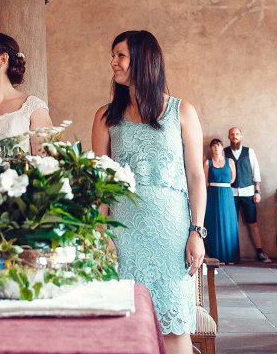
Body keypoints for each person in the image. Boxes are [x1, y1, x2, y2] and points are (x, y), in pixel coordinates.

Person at [92, 31, 206, 354]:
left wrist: (196, 232)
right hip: (123, 235)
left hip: (171, 236)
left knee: (175, 330)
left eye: (120, 55)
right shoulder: (105, 117)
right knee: (125, 327)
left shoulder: (183, 112)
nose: (113, 62)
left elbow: (197, 177)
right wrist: (102, 234)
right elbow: (100, 183)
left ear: (142, 60)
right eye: (113, 55)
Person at [225, 126, 272, 263]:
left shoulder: (249, 152)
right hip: (230, 193)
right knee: (232, 224)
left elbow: (255, 172)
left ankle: (260, 252)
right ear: (229, 137)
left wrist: (257, 191)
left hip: (248, 192)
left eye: (237, 134)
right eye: (232, 134)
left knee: (252, 223)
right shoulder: (224, 152)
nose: (235, 136)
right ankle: (231, 254)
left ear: (241, 136)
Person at [204, 138, 240, 264]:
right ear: (211, 148)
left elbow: (233, 179)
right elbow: (205, 180)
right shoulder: (207, 163)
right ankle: (216, 257)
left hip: (226, 194)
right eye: (213, 146)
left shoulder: (230, 162)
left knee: (228, 222)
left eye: (218, 145)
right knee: (214, 223)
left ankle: (231, 257)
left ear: (222, 147)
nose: (216, 148)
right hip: (212, 194)